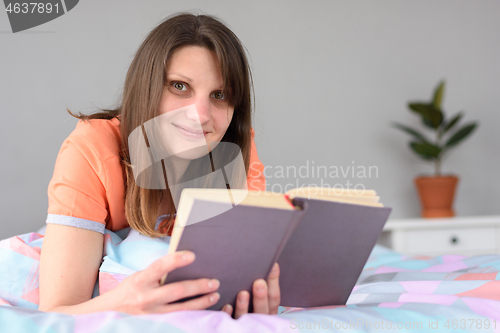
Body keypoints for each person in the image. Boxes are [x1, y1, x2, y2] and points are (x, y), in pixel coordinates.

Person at [38, 13, 280, 318]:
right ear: (147, 87)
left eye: (219, 95)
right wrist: (124, 305)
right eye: (180, 87)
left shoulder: (237, 148)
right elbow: (56, 313)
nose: (201, 114)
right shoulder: (92, 149)